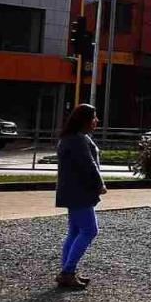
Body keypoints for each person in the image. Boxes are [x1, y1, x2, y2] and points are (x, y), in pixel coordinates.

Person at [55, 103, 106, 289]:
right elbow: (89, 164)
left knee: (75, 232)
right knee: (90, 230)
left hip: (73, 192)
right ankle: (67, 272)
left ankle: (66, 271)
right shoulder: (77, 139)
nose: (96, 121)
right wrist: (100, 184)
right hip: (79, 193)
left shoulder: (72, 137)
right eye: (94, 117)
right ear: (85, 120)